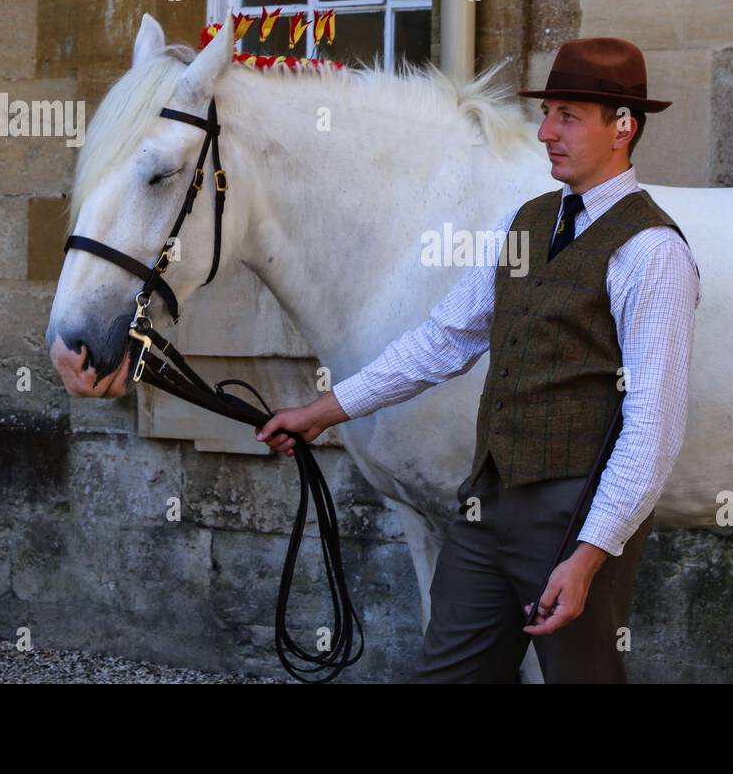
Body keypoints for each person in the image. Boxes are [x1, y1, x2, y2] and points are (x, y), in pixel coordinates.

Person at [256, 37, 700, 683]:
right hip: (486, 503)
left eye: (568, 115)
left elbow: (653, 427)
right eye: (547, 112)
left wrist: (587, 555)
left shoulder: (652, 251)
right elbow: (442, 338)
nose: (546, 131)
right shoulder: (524, 221)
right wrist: (324, 410)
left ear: (623, 127)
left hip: (575, 515)